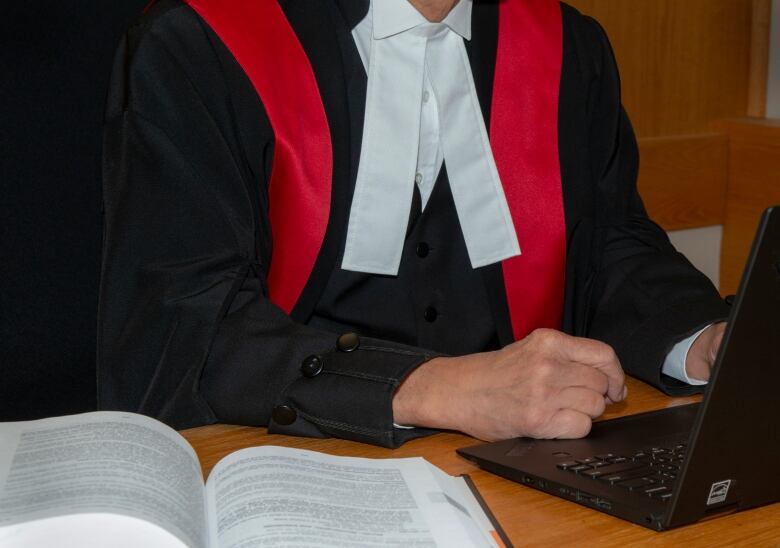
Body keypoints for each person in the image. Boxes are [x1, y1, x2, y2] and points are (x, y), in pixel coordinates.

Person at [98, 0, 729, 447]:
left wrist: (700, 337)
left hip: (511, 466)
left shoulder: (570, 46)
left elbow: (611, 244)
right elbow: (183, 326)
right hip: (288, 459)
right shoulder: (199, 44)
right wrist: (436, 389)